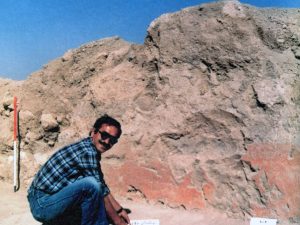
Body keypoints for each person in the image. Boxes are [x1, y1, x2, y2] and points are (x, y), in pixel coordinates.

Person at [27, 114, 130, 225]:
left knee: (95, 190)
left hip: (45, 201)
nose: (107, 142)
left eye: (113, 140)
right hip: (42, 206)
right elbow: (99, 189)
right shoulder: (87, 152)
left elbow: (102, 187)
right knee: (90, 185)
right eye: (104, 135)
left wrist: (119, 210)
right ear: (93, 132)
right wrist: (118, 222)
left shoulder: (89, 148)